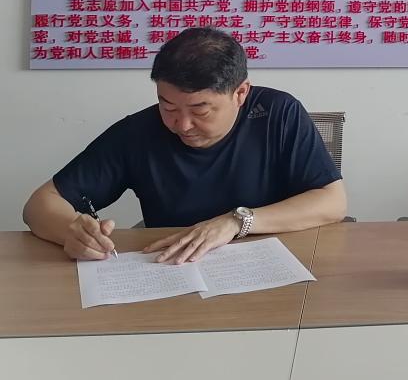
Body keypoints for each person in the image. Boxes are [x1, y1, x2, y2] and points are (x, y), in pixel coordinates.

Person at [23, 27, 347, 264]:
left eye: (200, 111)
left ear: (240, 93)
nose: (182, 125)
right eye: (168, 107)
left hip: (273, 266)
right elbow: (39, 204)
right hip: (175, 271)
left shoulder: (278, 113)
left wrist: (236, 222)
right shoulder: (138, 133)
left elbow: (332, 202)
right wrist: (72, 232)